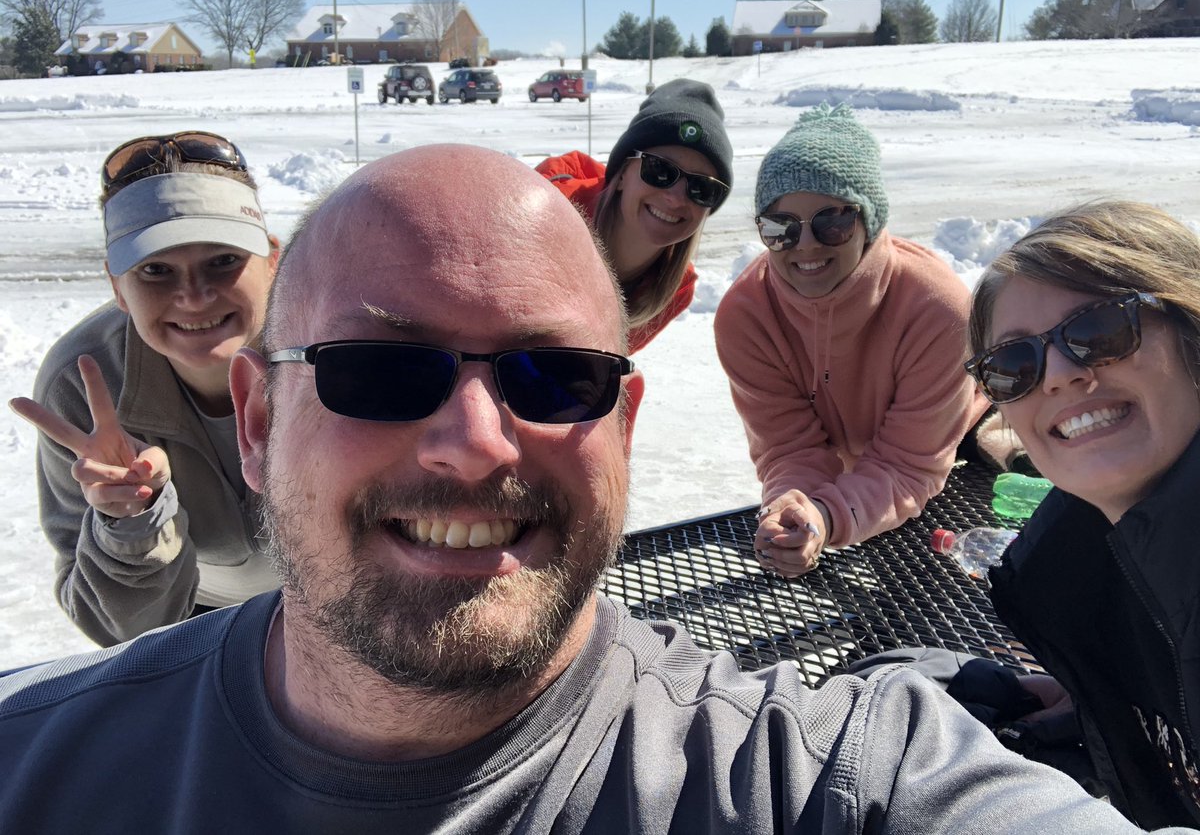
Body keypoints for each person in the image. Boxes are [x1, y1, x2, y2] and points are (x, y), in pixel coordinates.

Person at [0, 147, 1180, 835]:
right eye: (380, 370)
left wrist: (825, 508)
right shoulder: (39, 764)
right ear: (258, 418)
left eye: (554, 377)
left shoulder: (812, 776)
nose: (474, 442)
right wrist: (129, 516)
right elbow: (789, 434)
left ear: (622, 423)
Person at [966, 201, 1200, 828]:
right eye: (1013, 365)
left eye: (1100, 331)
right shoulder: (1087, 563)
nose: (1059, 376)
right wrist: (1104, 697)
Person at [8, 131, 280, 646]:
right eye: (156, 270)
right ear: (117, 287)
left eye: (223, 260)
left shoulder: (343, 347)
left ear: (272, 261)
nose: (194, 297)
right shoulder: (82, 385)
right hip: (200, 623)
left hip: (341, 610)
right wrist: (132, 522)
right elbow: (123, 633)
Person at [714, 104, 988, 578]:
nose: (805, 244)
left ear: (869, 222)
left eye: (832, 222)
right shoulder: (746, 317)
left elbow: (909, 465)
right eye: (780, 227)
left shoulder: (939, 310)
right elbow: (789, 447)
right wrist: (795, 508)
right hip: (871, 466)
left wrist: (829, 515)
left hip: (956, 452)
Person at [536, 78, 732, 352]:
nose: (676, 198)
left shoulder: (675, 289)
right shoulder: (545, 215)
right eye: (660, 170)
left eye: (702, 188)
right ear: (622, 175)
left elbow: (601, 364)